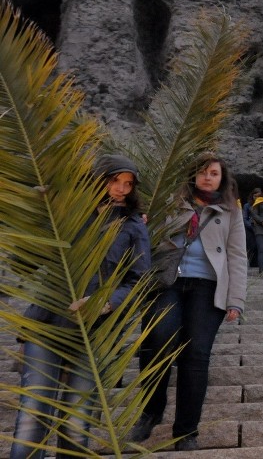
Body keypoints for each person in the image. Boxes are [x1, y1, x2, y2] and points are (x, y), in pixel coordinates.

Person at [11, 154, 151, 459]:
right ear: (99, 178)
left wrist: (105, 302)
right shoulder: (65, 212)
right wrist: (39, 213)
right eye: (116, 180)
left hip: (94, 333)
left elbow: (139, 280)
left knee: (77, 422)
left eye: (128, 183)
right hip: (47, 322)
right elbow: (24, 265)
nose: (122, 189)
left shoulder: (133, 225)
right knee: (33, 415)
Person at [131, 152, 248, 451]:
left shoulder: (231, 211)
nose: (208, 177)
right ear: (192, 175)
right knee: (157, 340)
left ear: (223, 178)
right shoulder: (171, 201)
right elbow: (149, 234)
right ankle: (151, 411)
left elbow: (237, 255)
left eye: (214, 173)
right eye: (202, 172)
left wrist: (236, 299)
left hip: (208, 287)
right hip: (167, 281)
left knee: (196, 355)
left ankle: (186, 431)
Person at [243, 187, 261, 267]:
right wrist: (250, 226)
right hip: (250, 228)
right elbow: (244, 218)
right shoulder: (247, 205)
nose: (257, 198)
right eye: (255, 196)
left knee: (260, 246)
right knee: (251, 246)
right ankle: (252, 264)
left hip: (261, 228)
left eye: (259, 196)